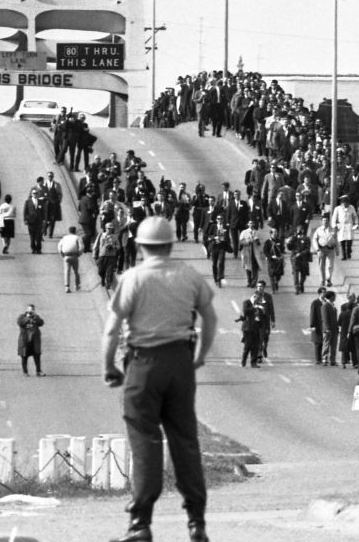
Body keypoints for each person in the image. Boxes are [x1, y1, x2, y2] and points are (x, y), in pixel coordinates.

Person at [100, 216, 218, 542]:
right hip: (180, 361)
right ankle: (196, 521)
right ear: (169, 244)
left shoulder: (133, 278)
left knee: (144, 441)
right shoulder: (189, 276)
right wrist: (199, 355)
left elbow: (112, 329)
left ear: (140, 246)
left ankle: (141, 523)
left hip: (143, 363)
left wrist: (108, 366)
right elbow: (209, 318)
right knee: (185, 440)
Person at [17, 304, 45, 376]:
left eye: (32, 309)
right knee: (24, 357)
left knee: (37, 355)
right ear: (26, 310)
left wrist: (35, 317)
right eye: (29, 309)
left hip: (34, 340)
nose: (30, 311)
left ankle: (38, 371)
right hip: (25, 340)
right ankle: (25, 372)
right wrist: (27, 318)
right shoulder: (22, 316)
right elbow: (20, 323)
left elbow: (41, 323)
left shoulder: (36, 317)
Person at [250, 280, 275, 361]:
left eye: (261, 286)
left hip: (266, 320)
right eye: (258, 286)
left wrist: (273, 320)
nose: (259, 288)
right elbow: (251, 308)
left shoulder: (268, 297)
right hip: (258, 320)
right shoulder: (254, 296)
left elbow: (271, 309)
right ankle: (259, 354)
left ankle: (265, 347)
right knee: (259, 338)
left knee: (266, 337)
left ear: (264, 287)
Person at [330, 194, 358, 260]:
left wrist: (356, 224)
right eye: (344, 203)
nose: (346, 205)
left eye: (347, 203)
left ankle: (348, 251)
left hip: (349, 225)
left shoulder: (351, 207)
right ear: (342, 203)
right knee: (342, 241)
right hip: (341, 226)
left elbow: (355, 216)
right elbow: (334, 218)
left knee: (349, 240)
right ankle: (344, 255)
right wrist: (334, 226)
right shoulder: (337, 209)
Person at [94, 221, 121, 289]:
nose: (110, 230)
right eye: (109, 228)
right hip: (102, 255)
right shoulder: (101, 235)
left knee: (109, 271)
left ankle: (108, 284)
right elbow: (96, 244)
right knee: (100, 271)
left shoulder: (115, 237)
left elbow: (119, 246)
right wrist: (94, 254)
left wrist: (113, 246)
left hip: (111, 256)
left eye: (111, 228)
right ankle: (103, 278)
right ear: (106, 228)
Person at [58, 225, 83, 292]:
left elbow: (59, 246)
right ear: (75, 231)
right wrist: (79, 254)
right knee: (76, 271)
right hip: (74, 255)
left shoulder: (64, 238)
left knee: (67, 271)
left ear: (69, 231)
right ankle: (77, 285)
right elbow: (81, 247)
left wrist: (62, 255)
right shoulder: (77, 238)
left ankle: (67, 287)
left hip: (66, 255)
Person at [312, 220, 337, 286]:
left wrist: (337, 250)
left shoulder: (332, 230)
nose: (325, 222)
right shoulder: (319, 230)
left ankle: (328, 279)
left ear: (329, 222)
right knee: (321, 266)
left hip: (330, 249)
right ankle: (322, 280)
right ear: (322, 222)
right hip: (321, 249)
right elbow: (314, 239)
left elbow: (336, 240)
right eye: (324, 221)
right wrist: (317, 249)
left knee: (330, 265)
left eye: (326, 221)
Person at [321, 289, 339, 366]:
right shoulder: (325, 306)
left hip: (334, 328)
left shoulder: (332, 305)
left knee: (334, 345)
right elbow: (325, 318)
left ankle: (333, 360)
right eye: (334, 296)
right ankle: (325, 359)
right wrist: (327, 328)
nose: (335, 297)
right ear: (331, 297)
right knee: (327, 344)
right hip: (328, 329)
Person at [309, 288, 325, 364]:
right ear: (319, 293)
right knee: (317, 342)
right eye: (323, 292)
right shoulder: (315, 303)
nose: (324, 294)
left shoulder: (325, 302)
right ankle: (318, 359)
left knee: (322, 342)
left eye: (325, 292)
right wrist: (312, 325)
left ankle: (322, 358)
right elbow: (312, 314)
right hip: (317, 325)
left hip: (324, 325)